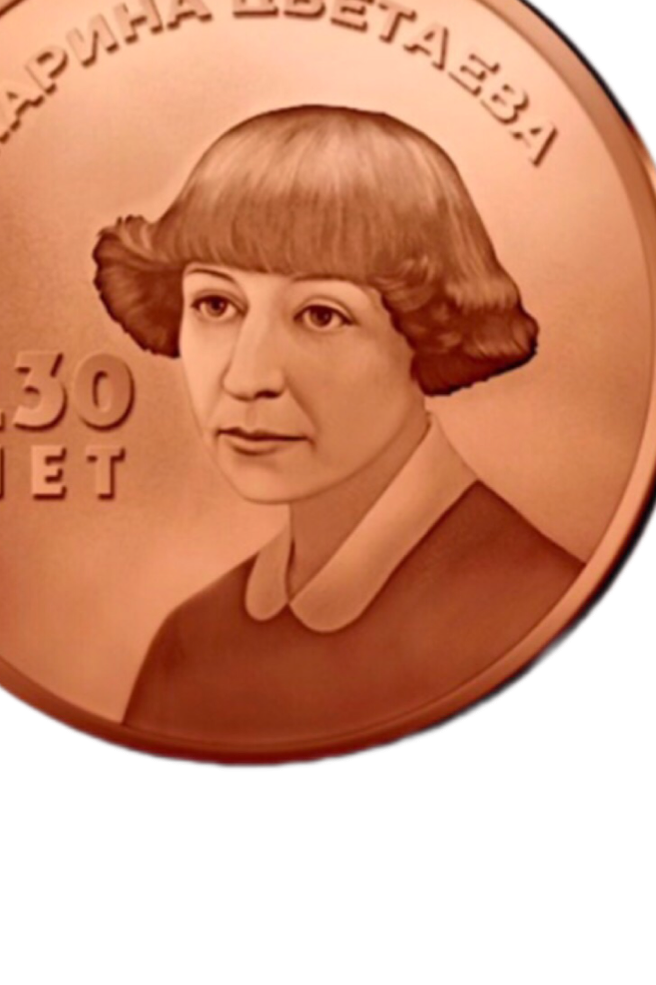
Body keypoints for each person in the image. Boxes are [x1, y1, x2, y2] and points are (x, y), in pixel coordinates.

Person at [92, 104, 582, 746]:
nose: (248, 377)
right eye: (215, 304)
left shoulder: (541, 620)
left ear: (426, 331)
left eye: (321, 315)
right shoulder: (193, 641)